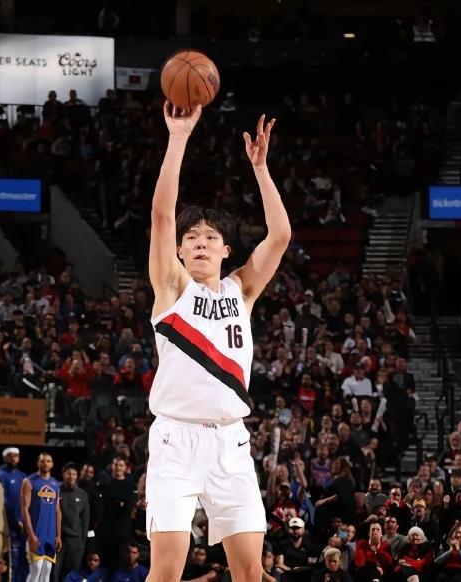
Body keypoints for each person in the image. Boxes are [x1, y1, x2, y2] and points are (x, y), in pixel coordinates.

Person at [146, 100, 291, 582]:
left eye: (210, 237)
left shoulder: (241, 290)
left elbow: (280, 235)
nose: (200, 242)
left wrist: (261, 169)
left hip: (231, 441)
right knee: (167, 570)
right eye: (192, 237)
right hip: (175, 439)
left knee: (250, 572)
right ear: (180, 251)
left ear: (226, 250)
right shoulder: (171, 288)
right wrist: (178, 138)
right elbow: (162, 216)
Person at [21, 453, 61, 582]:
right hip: (36, 534)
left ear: (52, 464)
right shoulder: (29, 481)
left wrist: (58, 535)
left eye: (48, 461)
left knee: (47, 570)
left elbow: (57, 510)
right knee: (36, 569)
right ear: (38, 463)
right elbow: (25, 509)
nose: (45, 463)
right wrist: (31, 535)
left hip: (50, 535)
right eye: (42, 461)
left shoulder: (56, 483)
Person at [53, 463, 89, 582]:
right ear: (63, 475)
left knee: (72, 574)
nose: (71, 476)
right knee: (54, 572)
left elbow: (85, 521)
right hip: (59, 539)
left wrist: (82, 543)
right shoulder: (55, 491)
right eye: (68, 473)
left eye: (74, 474)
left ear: (77, 476)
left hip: (75, 541)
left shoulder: (83, 495)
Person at [0, 447, 27, 582]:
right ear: (5, 457)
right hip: (8, 525)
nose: (14, 458)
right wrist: (16, 520)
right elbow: (5, 501)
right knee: (11, 560)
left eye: (16, 456)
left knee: (23, 559)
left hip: (23, 525)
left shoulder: (22, 476)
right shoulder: (0, 474)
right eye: (11, 456)